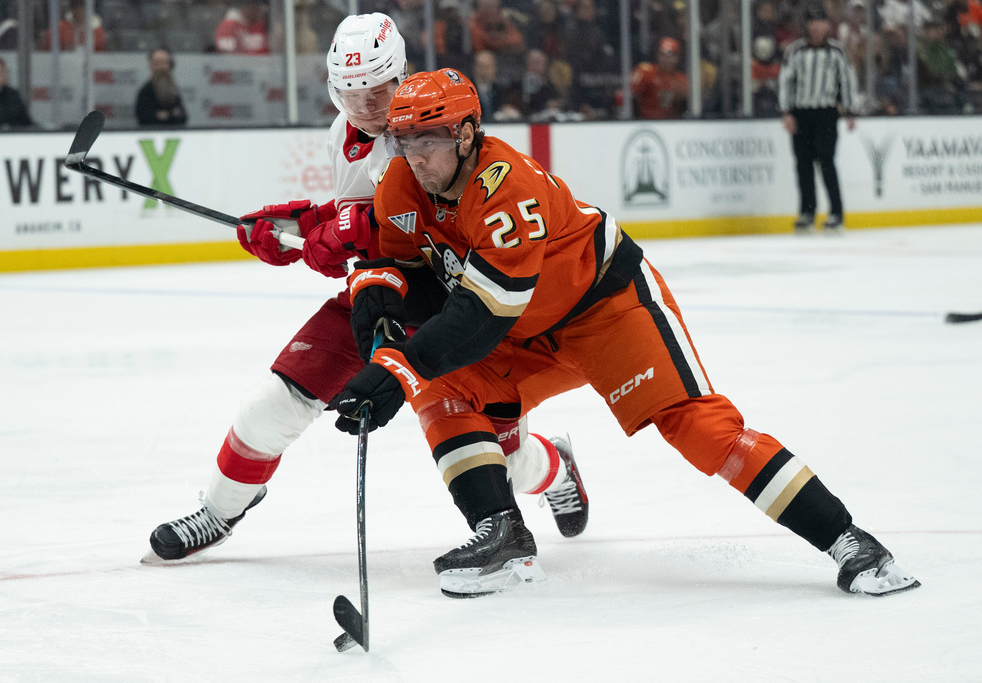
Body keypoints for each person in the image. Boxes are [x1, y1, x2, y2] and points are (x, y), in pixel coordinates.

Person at [328, 68, 921, 600]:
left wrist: (395, 369)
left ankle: (846, 539)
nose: (415, 157)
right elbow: (399, 268)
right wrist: (377, 320)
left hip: (605, 309)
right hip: (525, 329)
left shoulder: (507, 188)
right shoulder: (400, 184)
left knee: (700, 430)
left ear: (465, 134)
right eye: (404, 142)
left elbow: (481, 315)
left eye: (427, 141)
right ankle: (501, 533)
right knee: (441, 391)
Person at [144, 14, 586, 565]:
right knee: (269, 406)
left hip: (460, 304)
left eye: (378, 93)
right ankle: (219, 509)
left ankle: (554, 466)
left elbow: (406, 227)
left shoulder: (436, 126)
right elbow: (361, 223)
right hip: (383, 292)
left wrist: (338, 234)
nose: (367, 109)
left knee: (503, 455)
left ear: (401, 77)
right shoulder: (344, 136)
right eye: (352, 96)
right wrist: (297, 228)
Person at [778, 4, 856, 233]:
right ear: (807, 26)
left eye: (821, 22)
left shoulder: (837, 52)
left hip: (826, 112)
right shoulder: (795, 51)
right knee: (803, 164)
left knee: (826, 161)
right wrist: (786, 113)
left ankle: (836, 212)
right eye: (812, 22)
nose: (817, 27)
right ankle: (807, 212)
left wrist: (850, 111)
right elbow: (785, 82)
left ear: (827, 25)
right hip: (802, 112)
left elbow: (847, 81)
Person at [630, 37, 689, 120]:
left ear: (677, 58)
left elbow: (687, 103)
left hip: (671, 124)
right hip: (644, 121)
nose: (667, 59)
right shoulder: (645, 72)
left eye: (671, 55)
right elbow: (629, 94)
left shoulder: (681, 79)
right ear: (658, 55)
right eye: (663, 54)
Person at [135, 49, 187, 127]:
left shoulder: (173, 90)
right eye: (158, 63)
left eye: (164, 63)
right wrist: (170, 115)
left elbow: (182, 116)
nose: (161, 67)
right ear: (151, 66)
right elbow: (144, 118)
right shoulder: (145, 91)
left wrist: (166, 115)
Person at [37, 0, 107, 52]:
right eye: (76, 7)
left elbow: (100, 58)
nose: (79, 11)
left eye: (82, 7)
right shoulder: (59, 28)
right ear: (71, 10)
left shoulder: (98, 31)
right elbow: (47, 54)